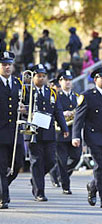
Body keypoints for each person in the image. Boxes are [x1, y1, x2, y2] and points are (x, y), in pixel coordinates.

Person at [72, 66, 102, 208]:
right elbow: (79, 118)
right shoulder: (87, 96)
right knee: (100, 167)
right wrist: (76, 136)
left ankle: (93, 186)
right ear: (95, 79)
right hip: (94, 137)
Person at [28, 64, 69, 202]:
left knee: (51, 161)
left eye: (43, 76)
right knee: (37, 161)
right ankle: (39, 192)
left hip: (49, 131)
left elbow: (58, 112)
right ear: (33, 76)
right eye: (38, 76)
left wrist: (65, 128)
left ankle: (36, 178)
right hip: (34, 132)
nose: (41, 78)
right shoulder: (27, 91)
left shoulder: (52, 92)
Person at [0, 51, 26, 209]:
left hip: (15, 131)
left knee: (18, 163)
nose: (7, 67)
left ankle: (3, 188)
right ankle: (4, 198)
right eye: (3, 64)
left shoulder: (18, 83)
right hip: (0, 132)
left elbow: (26, 103)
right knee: (1, 166)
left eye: (9, 64)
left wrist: (23, 108)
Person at [55, 70, 82, 194]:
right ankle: (66, 186)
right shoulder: (57, 96)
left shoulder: (77, 97)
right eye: (65, 80)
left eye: (70, 80)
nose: (68, 82)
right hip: (60, 132)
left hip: (73, 132)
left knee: (76, 157)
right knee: (62, 160)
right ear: (60, 82)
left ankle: (63, 175)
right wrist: (63, 113)